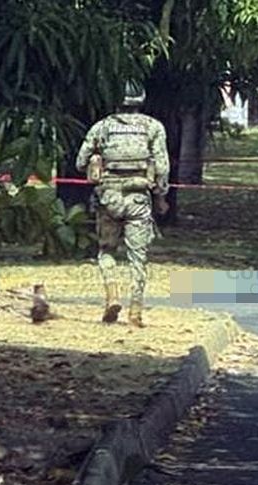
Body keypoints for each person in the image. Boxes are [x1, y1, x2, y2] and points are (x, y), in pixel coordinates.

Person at [76, 82, 170, 327]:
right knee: (138, 257)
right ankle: (136, 311)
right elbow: (162, 168)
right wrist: (161, 197)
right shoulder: (153, 127)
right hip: (139, 200)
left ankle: (112, 297)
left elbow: (80, 161)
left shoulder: (102, 126)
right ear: (141, 99)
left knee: (106, 251)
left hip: (109, 198)